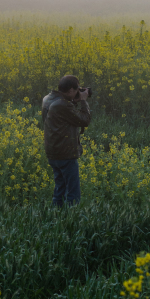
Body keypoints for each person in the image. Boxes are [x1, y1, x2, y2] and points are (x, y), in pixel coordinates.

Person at [41, 74, 92, 207]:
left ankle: (55, 215)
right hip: (65, 153)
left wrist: (73, 100)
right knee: (73, 192)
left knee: (60, 188)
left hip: (53, 151)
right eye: (76, 90)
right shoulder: (62, 105)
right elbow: (84, 120)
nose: (78, 92)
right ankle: (71, 221)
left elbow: (63, 113)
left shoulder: (48, 99)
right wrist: (83, 101)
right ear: (70, 90)